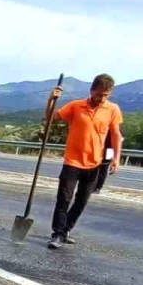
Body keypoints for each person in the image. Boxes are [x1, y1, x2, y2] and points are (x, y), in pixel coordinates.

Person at [48, 74, 123, 249]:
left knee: (82, 200)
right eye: (99, 94)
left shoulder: (112, 109)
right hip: (72, 162)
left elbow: (116, 135)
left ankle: (66, 230)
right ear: (92, 90)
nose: (102, 98)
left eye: (106, 95)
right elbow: (51, 117)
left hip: (95, 163)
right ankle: (57, 234)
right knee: (63, 199)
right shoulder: (76, 106)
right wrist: (51, 100)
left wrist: (116, 158)